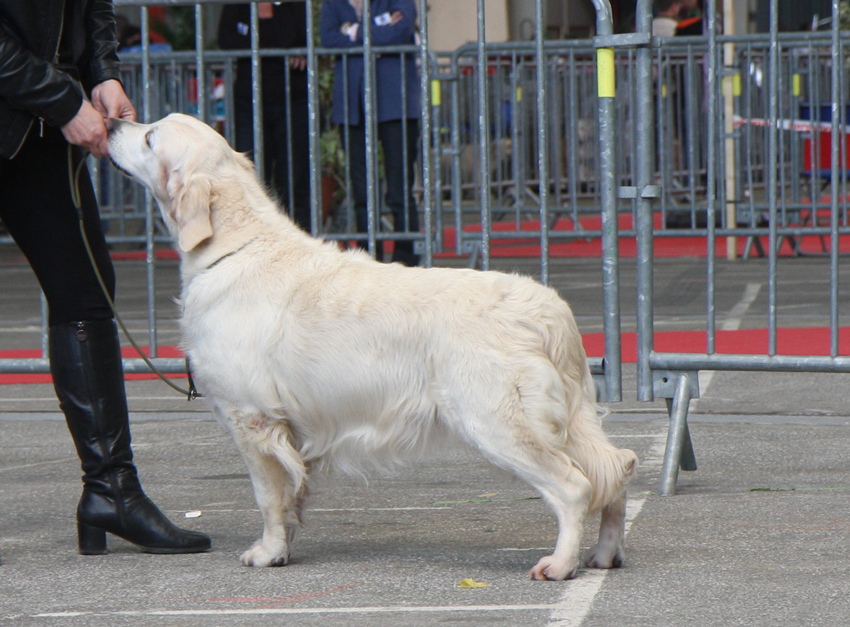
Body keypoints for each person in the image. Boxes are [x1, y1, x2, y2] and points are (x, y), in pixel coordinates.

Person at [0, 0, 211, 563]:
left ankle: (111, 491)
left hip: (36, 125)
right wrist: (64, 98)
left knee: (85, 300)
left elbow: (91, 8)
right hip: (42, 104)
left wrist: (103, 74)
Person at [320, 0, 421, 266]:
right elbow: (328, 38)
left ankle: (406, 258)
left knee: (400, 188)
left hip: (395, 103)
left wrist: (353, 33)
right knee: (362, 190)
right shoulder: (334, 3)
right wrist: (377, 33)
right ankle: (368, 257)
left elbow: (400, 31)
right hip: (352, 106)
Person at [218, 2, 312, 232]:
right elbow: (226, 41)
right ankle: (253, 241)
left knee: (294, 177)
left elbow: (295, 37)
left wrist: (262, 31)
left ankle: (300, 244)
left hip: (292, 100)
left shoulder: (295, 5)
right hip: (248, 103)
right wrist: (284, 50)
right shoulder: (237, 6)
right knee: (251, 175)